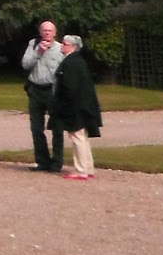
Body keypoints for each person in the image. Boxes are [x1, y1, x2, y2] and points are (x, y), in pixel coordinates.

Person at [49, 35, 103, 181]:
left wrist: (61, 105)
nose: (61, 46)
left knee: (77, 136)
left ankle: (81, 170)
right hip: (82, 104)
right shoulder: (78, 61)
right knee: (82, 136)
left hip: (75, 106)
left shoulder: (71, 63)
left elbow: (69, 87)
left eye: (64, 44)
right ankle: (88, 168)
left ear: (72, 46)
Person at [21, 20, 65, 173]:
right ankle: (42, 161)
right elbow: (25, 64)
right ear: (40, 32)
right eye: (44, 30)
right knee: (36, 127)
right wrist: (38, 52)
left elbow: (65, 70)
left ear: (55, 33)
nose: (47, 33)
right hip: (35, 90)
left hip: (52, 91)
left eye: (50, 31)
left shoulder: (61, 49)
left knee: (57, 128)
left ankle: (57, 162)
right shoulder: (33, 44)